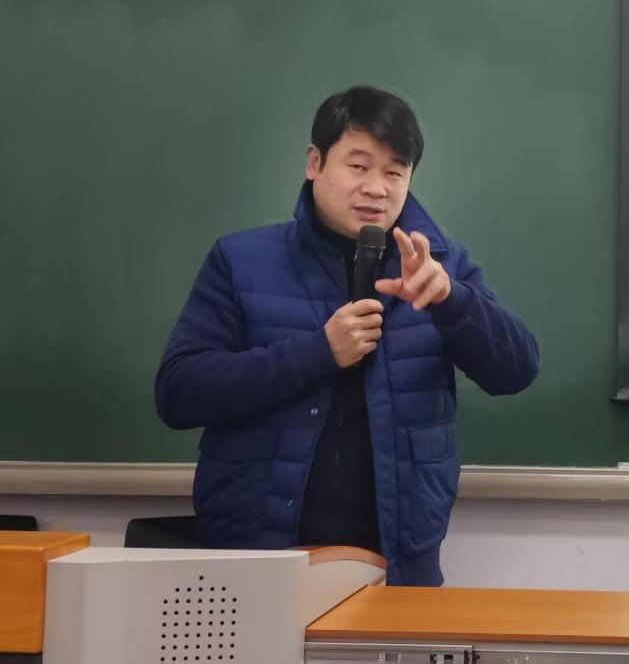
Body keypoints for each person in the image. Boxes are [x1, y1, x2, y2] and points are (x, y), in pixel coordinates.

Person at [155, 86, 539, 586]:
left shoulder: (440, 266)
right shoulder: (240, 259)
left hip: (399, 560)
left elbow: (517, 371)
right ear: (314, 163)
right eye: (359, 166)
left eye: (395, 172)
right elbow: (179, 393)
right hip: (255, 558)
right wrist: (318, 352)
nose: (377, 188)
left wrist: (452, 300)